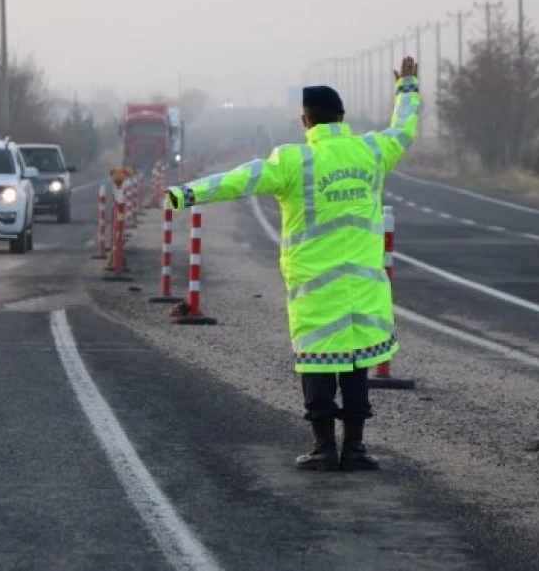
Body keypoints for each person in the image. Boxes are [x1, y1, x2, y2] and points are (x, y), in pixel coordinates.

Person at [165, 56, 420, 471]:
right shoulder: (372, 151)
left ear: (306, 122)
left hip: (316, 290)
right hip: (364, 289)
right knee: (356, 365)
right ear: (342, 117)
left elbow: (238, 180)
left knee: (318, 367)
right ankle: (355, 448)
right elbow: (404, 130)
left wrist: (186, 193)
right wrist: (407, 88)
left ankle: (323, 447)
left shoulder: (293, 162)